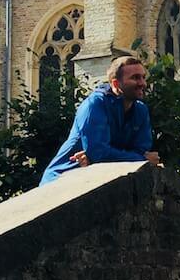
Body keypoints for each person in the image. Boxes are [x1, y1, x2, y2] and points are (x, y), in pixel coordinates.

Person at [40, 56, 160, 184]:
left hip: (97, 179)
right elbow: (99, 153)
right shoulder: (95, 105)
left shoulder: (141, 110)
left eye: (143, 77)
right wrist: (139, 159)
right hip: (60, 181)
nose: (142, 83)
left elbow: (141, 150)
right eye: (135, 78)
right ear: (115, 84)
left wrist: (97, 157)